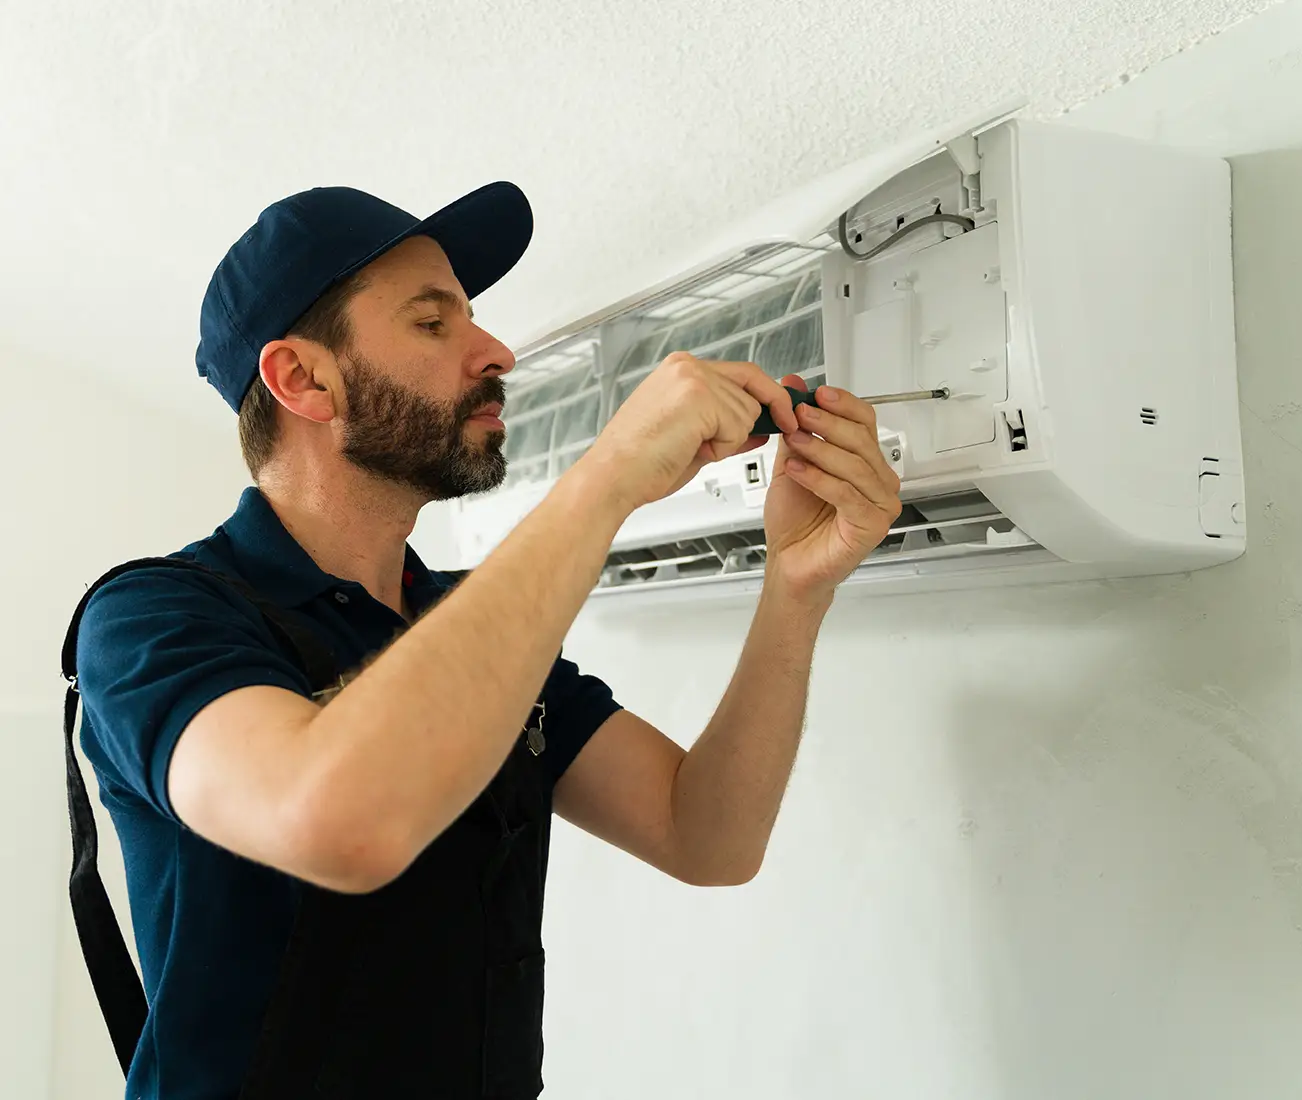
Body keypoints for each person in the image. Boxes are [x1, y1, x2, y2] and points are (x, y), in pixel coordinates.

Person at [70, 182, 901, 1099]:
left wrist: (796, 584)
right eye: (433, 324)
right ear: (302, 379)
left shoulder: (469, 624)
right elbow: (341, 820)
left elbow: (705, 835)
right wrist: (609, 474)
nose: (495, 351)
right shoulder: (156, 620)